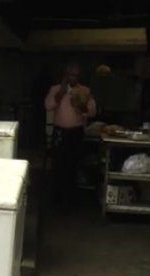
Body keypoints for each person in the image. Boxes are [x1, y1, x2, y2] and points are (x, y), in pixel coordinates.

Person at [44, 63, 98, 209]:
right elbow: (48, 105)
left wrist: (81, 105)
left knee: (73, 165)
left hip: (76, 132)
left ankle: (70, 201)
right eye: (71, 75)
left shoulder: (84, 91)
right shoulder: (56, 89)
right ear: (66, 75)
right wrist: (60, 94)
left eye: (76, 75)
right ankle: (56, 199)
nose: (73, 78)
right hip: (60, 132)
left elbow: (92, 112)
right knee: (58, 165)